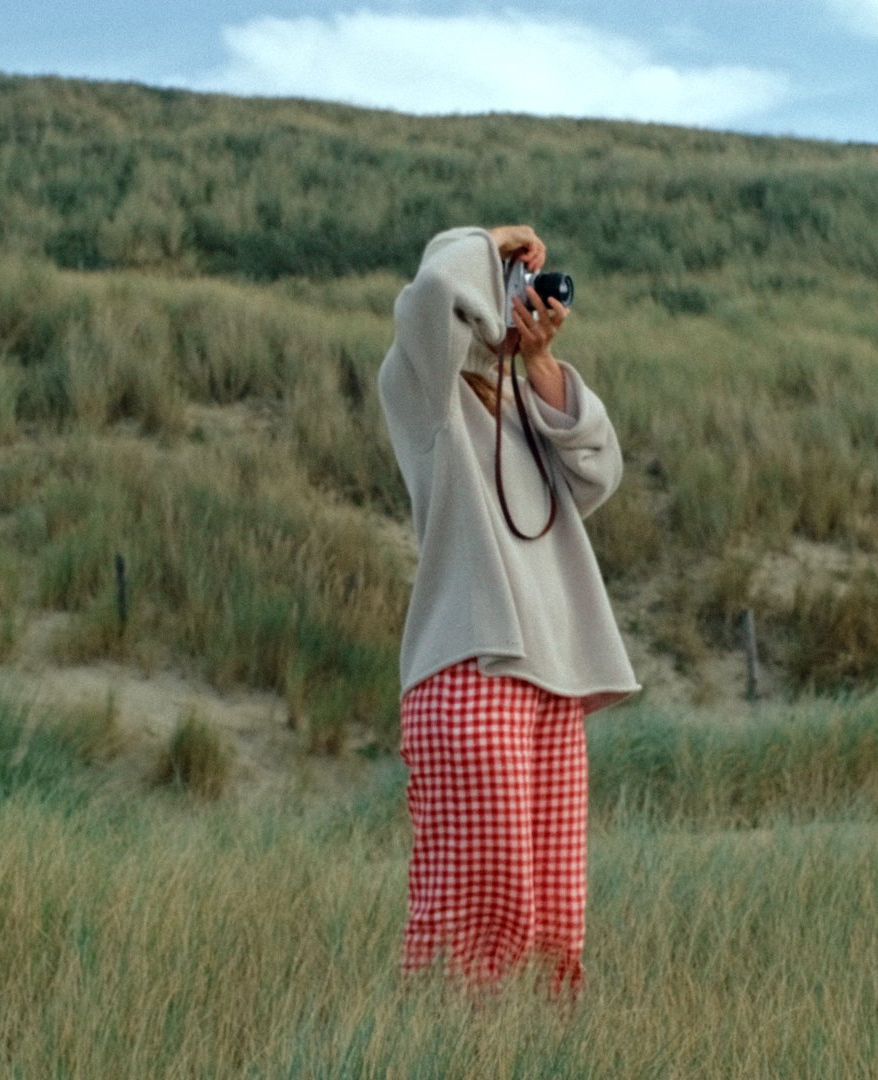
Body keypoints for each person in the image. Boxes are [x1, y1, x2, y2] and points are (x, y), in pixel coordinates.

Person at [376, 224, 641, 997]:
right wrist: (486, 241)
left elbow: (599, 473)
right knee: (480, 909)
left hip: (550, 678)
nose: (506, 303)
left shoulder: (522, 403)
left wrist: (541, 360)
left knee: (555, 915)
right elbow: (431, 296)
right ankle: (444, 1045)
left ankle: (531, 1052)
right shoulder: (422, 391)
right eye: (500, 288)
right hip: (470, 667)